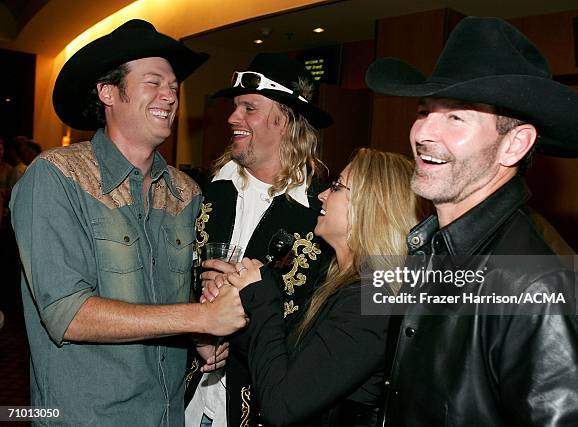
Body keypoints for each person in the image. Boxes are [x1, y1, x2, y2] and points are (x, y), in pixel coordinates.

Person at [365, 16, 578, 425]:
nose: (424, 132)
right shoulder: (429, 247)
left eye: (456, 117)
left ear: (514, 145)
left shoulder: (540, 288)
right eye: (424, 111)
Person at [10, 19, 247, 426]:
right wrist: (200, 319)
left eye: (173, 86)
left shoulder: (185, 193)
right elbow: (68, 314)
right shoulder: (56, 177)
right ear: (108, 92)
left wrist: (201, 338)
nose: (169, 95)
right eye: (153, 82)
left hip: (169, 415)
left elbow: (174, 301)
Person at [204, 148, 422, 426]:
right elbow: (284, 362)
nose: (322, 195)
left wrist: (261, 292)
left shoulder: (371, 302)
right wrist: (231, 308)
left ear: (369, 207)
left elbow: (281, 405)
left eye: (337, 187)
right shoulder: (338, 283)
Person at [185, 53, 334, 427]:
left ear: (283, 120)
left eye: (248, 108)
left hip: (264, 409)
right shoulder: (204, 192)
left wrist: (244, 300)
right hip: (188, 397)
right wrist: (198, 313)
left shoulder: (325, 212)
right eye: (235, 107)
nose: (233, 118)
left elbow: (331, 326)